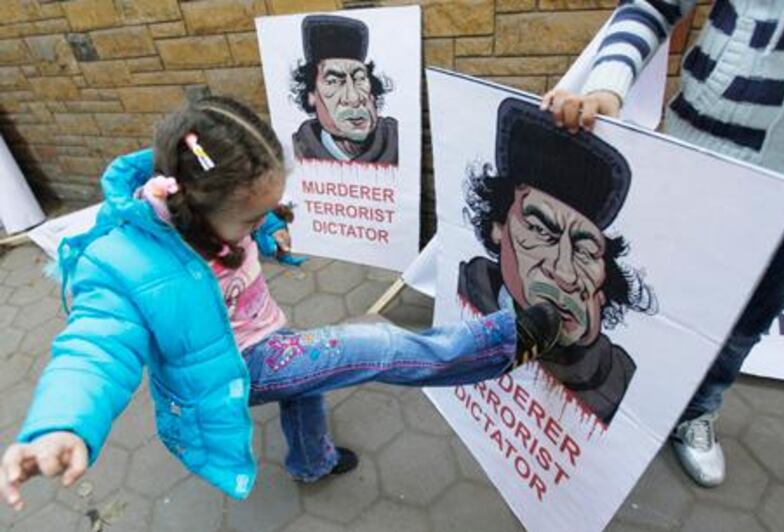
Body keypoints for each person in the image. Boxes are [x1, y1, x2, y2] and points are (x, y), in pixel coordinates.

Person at [0, 95, 563, 511]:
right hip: (234, 369)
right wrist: (59, 424)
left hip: (266, 335)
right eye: (250, 218)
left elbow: (247, 217)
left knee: (307, 384)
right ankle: (506, 342)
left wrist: (266, 231)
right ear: (197, 208)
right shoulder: (121, 262)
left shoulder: (211, 194)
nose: (257, 226)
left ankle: (311, 461)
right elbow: (93, 349)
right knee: (378, 342)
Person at [541, 0, 784, 487]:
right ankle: (613, 409)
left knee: (751, 319)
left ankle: (697, 412)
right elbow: (652, 6)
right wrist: (607, 86)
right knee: (652, 292)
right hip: (713, 150)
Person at [459, 97, 657, 425]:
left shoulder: (619, 378)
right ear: (498, 226)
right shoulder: (463, 303)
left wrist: (584, 348)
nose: (565, 272)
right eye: (540, 229)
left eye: (585, 250)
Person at [291, 14, 398, 165]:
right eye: (333, 81)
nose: (353, 98)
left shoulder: (397, 139)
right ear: (312, 95)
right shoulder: (298, 151)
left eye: (360, 79)